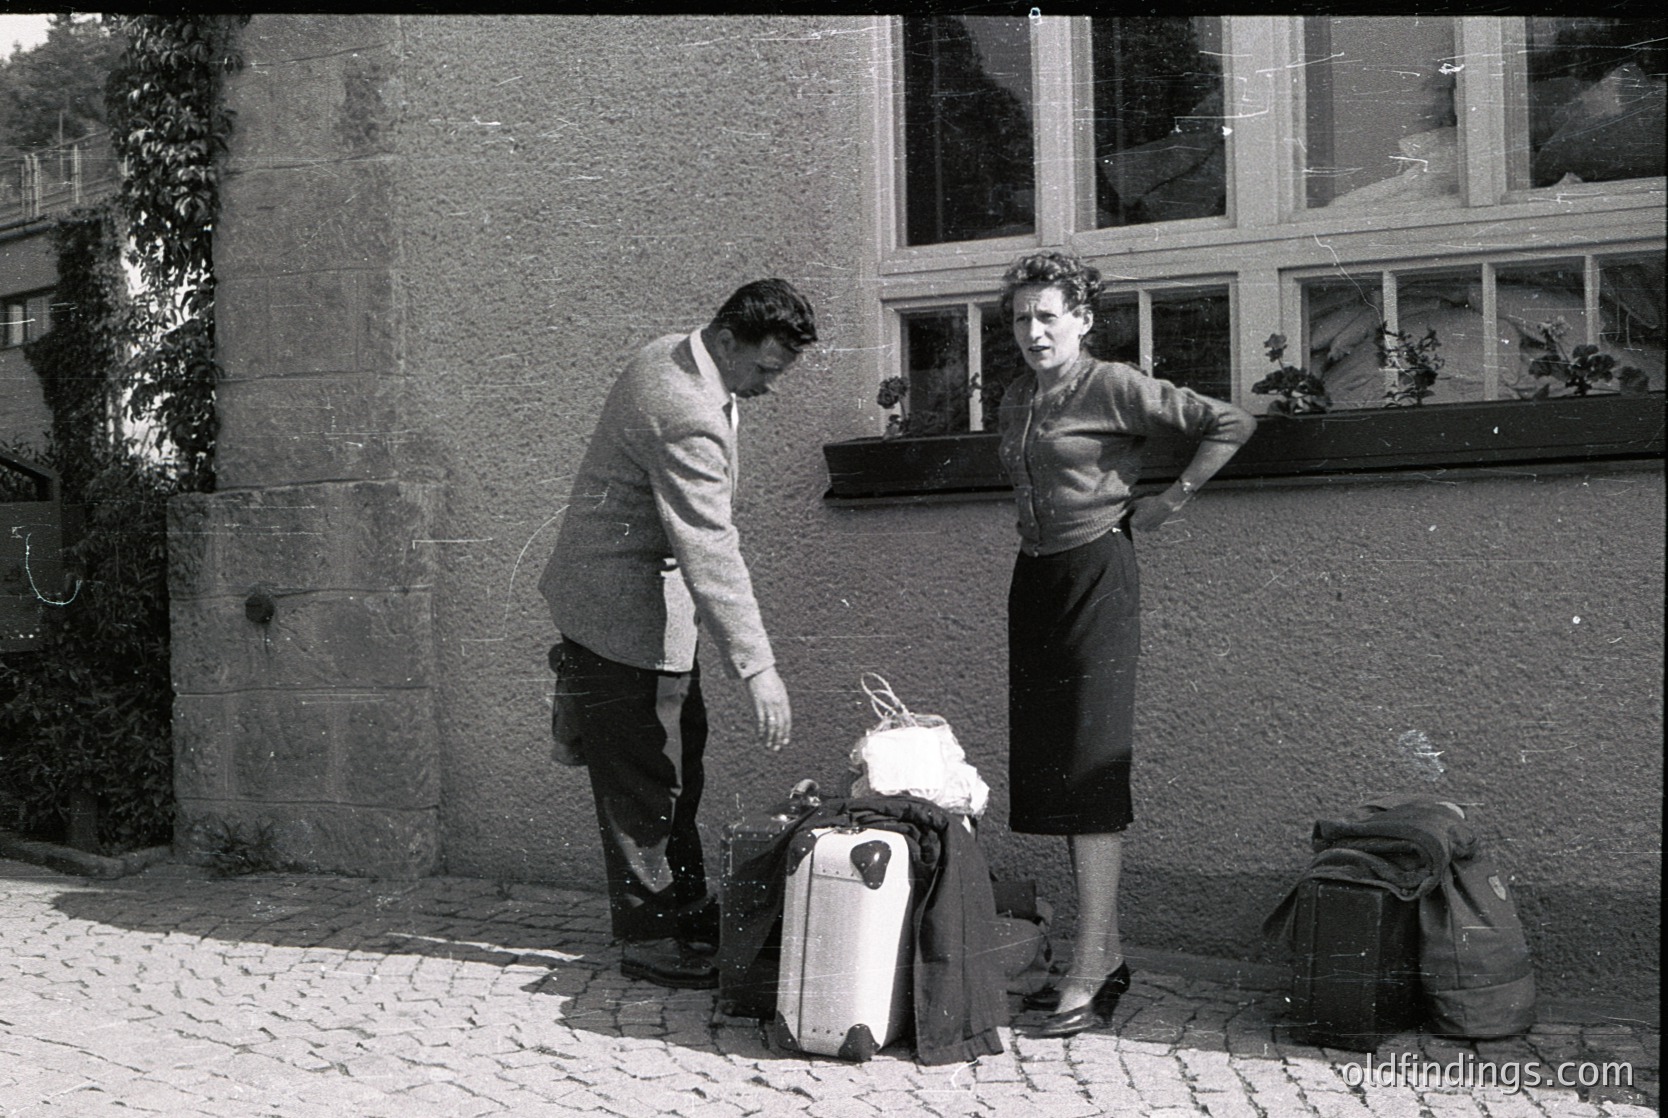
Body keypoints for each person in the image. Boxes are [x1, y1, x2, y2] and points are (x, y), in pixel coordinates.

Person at [996, 250, 1255, 1037]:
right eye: (1020, 318)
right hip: (1037, 579)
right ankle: (1101, 954)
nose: (1034, 331)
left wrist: (1170, 502)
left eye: (1049, 315)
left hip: (1097, 577)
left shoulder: (1111, 384)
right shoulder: (1017, 397)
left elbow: (1231, 421)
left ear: (1081, 318)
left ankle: (1087, 964)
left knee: (1091, 763)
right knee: (1056, 769)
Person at [538, 278, 817, 990]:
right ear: (727, 340)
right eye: (762, 370)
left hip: (644, 606)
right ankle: (651, 934)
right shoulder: (682, 407)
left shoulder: (670, 353)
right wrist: (758, 668)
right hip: (617, 612)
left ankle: (684, 906)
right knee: (644, 781)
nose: (765, 388)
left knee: (676, 763)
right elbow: (709, 545)